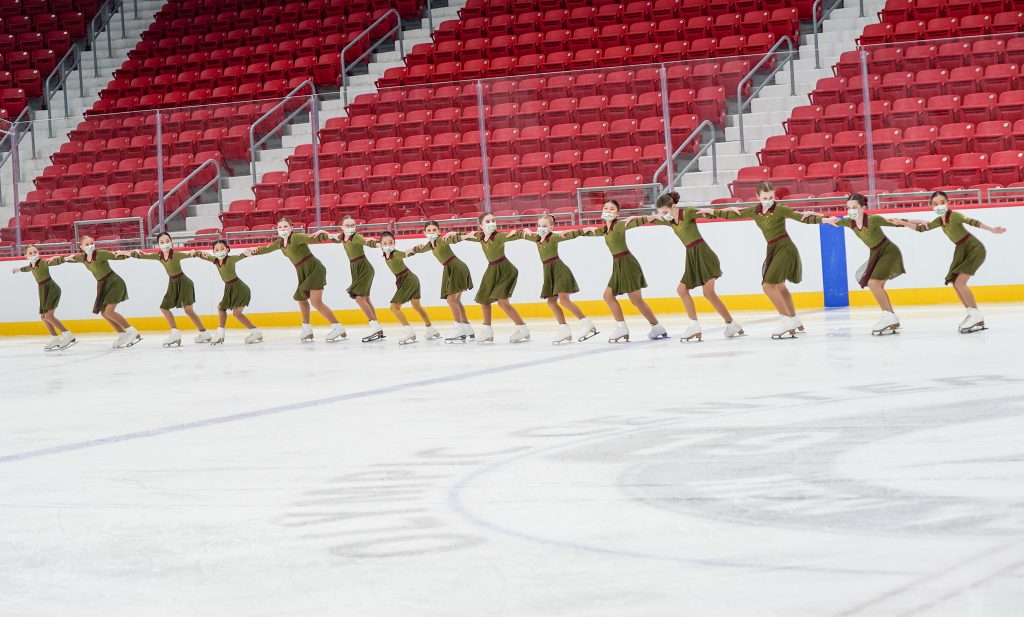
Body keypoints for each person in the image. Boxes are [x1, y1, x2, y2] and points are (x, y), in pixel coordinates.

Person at [701, 181, 825, 339]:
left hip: (785, 248)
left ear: (775, 196)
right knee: (779, 286)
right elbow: (730, 215)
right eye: (765, 197)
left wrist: (824, 219)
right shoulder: (755, 211)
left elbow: (802, 217)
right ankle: (794, 319)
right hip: (772, 249)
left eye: (771, 197)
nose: (768, 200)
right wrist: (711, 211)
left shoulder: (780, 209)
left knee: (767, 285)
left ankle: (786, 320)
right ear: (757, 197)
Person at [895, 190, 1006, 333]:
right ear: (931, 206)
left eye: (942, 202)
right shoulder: (940, 221)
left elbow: (973, 222)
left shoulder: (954, 215)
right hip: (961, 249)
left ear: (948, 203)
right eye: (935, 204)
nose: (939, 206)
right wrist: (903, 222)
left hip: (973, 249)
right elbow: (922, 228)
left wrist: (992, 229)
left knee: (960, 282)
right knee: (956, 282)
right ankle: (971, 313)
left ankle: (976, 315)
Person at [646, 192, 743, 342]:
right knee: (682, 290)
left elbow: (708, 213)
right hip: (691, 257)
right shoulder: (669, 220)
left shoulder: (687, 212)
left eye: (665, 212)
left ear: (674, 207)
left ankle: (731, 324)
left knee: (708, 292)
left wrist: (727, 210)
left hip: (703, 254)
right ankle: (695, 325)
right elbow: (649, 219)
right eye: (660, 213)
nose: (663, 216)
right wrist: (633, 218)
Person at [245, 218, 346, 342]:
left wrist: (331, 235)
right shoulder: (280, 243)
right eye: (280, 227)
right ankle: (307, 329)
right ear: (277, 229)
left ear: (291, 228)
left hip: (314, 269)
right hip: (301, 271)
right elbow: (266, 249)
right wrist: (252, 251)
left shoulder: (297, 237)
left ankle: (337, 327)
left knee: (316, 302)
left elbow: (313, 238)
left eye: (285, 226)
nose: (283, 229)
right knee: (301, 298)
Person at [822, 194, 906, 335]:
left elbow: (896, 223)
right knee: (877, 285)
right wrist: (812, 214)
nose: (851, 210)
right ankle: (891, 316)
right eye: (849, 208)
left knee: (874, 284)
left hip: (888, 252)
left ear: (863, 208)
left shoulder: (872, 219)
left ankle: (889, 317)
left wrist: (915, 223)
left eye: (855, 207)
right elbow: (829, 220)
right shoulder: (849, 222)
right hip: (875, 254)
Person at [586, 199, 666, 343]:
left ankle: (654, 326)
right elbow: (585, 232)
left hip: (627, 263)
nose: (608, 211)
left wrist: (646, 217)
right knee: (609, 296)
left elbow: (643, 220)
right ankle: (624, 327)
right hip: (618, 265)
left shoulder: (621, 225)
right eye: (605, 208)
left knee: (635, 300)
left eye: (611, 209)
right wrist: (580, 231)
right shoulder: (604, 230)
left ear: (617, 213)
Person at [449, 213, 530, 344]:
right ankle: (487, 332)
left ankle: (523, 329)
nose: (492, 223)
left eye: (493, 220)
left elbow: (515, 235)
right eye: (488, 221)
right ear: (481, 226)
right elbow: (468, 236)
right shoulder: (480, 237)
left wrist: (524, 230)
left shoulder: (498, 236)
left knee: (503, 303)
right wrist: (455, 234)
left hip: (505, 270)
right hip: (492, 270)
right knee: (484, 300)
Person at [521, 213, 598, 344]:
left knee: (564, 300)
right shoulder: (536, 238)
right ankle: (564, 329)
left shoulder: (554, 237)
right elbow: (523, 234)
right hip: (548, 271)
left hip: (559, 270)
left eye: (544, 226)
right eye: (539, 226)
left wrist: (584, 229)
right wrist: (525, 230)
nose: (541, 228)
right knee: (551, 302)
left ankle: (586, 323)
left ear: (551, 227)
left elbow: (571, 235)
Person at [129, 231, 210, 347]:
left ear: (171, 242)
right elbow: (142, 256)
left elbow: (190, 254)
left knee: (188, 310)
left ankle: (204, 333)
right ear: (158, 244)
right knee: (164, 307)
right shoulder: (159, 256)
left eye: (167, 241)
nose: (165, 243)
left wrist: (197, 252)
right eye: (162, 242)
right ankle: (175, 333)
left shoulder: (175, 254)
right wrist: (132, 252)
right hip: (172, 283)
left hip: (184, 283)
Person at [62, 236, 141, 348]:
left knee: (109, 312)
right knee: (104, 313)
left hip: (114, 283)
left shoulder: (100, 254)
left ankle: (132, 331)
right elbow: (69, 259)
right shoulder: (82, 257)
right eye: (87, 244)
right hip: (103, 285)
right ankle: (122, 334)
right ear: (81, 247)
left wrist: (132, 252)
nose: (90, 246)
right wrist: (57, 258)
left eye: (92, 243)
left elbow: (118, 256)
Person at [316, 216, 382, 342]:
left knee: (359, 298)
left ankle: (375, 327)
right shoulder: (342, 237)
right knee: (366, 299)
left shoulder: (356, 236)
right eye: (347, 225)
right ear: (342, 227)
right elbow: (333, 238)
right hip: (355, 269)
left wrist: (378, 244)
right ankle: (377, 327)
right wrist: (322, 232)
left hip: (364, 268)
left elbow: (367, 241)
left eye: (353, 225)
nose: (351, 227)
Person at [407, 220, 475, 342]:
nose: (431, 232)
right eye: (429, 230)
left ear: (439, 231)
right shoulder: (430, 244)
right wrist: (411, 249)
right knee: (456, 300)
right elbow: (420, 250)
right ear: (424, 232)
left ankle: (459, 328)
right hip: (451, 268)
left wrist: (466, 236)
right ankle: (467, 328)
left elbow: (453, 240)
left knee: (451, 299)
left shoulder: (440, 240)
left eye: (434, 230)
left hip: (456, 267)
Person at [373, 231, 440, 345]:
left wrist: (415, 249)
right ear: (381, 244)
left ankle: (409, 331)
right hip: (412, 279)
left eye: (391, 242)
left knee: (394, 308)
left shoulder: (395, 253)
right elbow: (373, 243)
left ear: (395, 243)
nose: (388, 245)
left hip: (408, 280)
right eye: (385, 243)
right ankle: (431, 329)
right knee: (417, 307)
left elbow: (406, 253)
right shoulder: (385, 253)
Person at [193, 239, 262, 345]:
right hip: (229, 288)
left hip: (240, 288)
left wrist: (250, 251)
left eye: (222, 248)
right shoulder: (215, 261)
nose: (219, 251)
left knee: (236, 313)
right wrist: (196, 252)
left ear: (227, 249)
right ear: (214, 252)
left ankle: (254, 331)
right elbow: (203, 256)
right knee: (222, 308)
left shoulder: (231, 259)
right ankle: (222, 331)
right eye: (216, 249)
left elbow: (242, 255)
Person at [10, 244, 76, 351]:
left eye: (35, 252)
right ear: (26, 256)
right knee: (43, 316)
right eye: (30, 253)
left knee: (49, 316)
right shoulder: (32, 265)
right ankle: (55, 338)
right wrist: (18, 270)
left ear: (38, 253)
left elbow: (55, 262)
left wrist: (66, 258)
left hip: (51, 289)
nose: (33, 254)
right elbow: (27, 268)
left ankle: (68, 335)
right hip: (43, 290)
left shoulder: (42, 262)